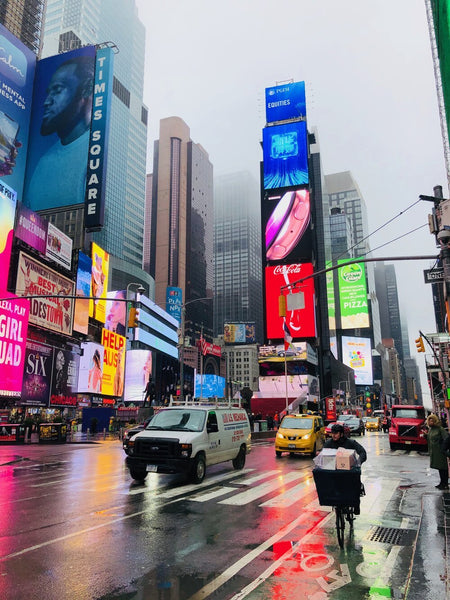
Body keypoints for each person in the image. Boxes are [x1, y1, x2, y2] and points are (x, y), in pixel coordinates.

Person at [26, 55, 95, 209]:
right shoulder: (44, 163)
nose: (46, 101)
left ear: (87, 88)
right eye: (49, 92)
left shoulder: (96, 154)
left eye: (57, 90)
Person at [323, 423, 367, 514]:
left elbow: (362, 452)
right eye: (332, 433)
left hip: (349, 471)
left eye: (336, 433)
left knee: (355, 483)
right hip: (334, 471)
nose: (333, 435)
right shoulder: (328, 443)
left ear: (341, 434)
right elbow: (323, 456)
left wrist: (359, 462)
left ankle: (356, 504)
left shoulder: (350, 442)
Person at [425, 414, 449, 490]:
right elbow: (430, 439)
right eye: (429, 420)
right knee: (439, 468)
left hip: (440, 451)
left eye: (432, 420)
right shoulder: (431, 429)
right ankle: (442, 483)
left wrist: (444, 448)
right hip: (434, 452)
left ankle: (445, 483)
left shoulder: (440, 429)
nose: (430, 422)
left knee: (443, 468)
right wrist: (426, 436)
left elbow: (446, 439)